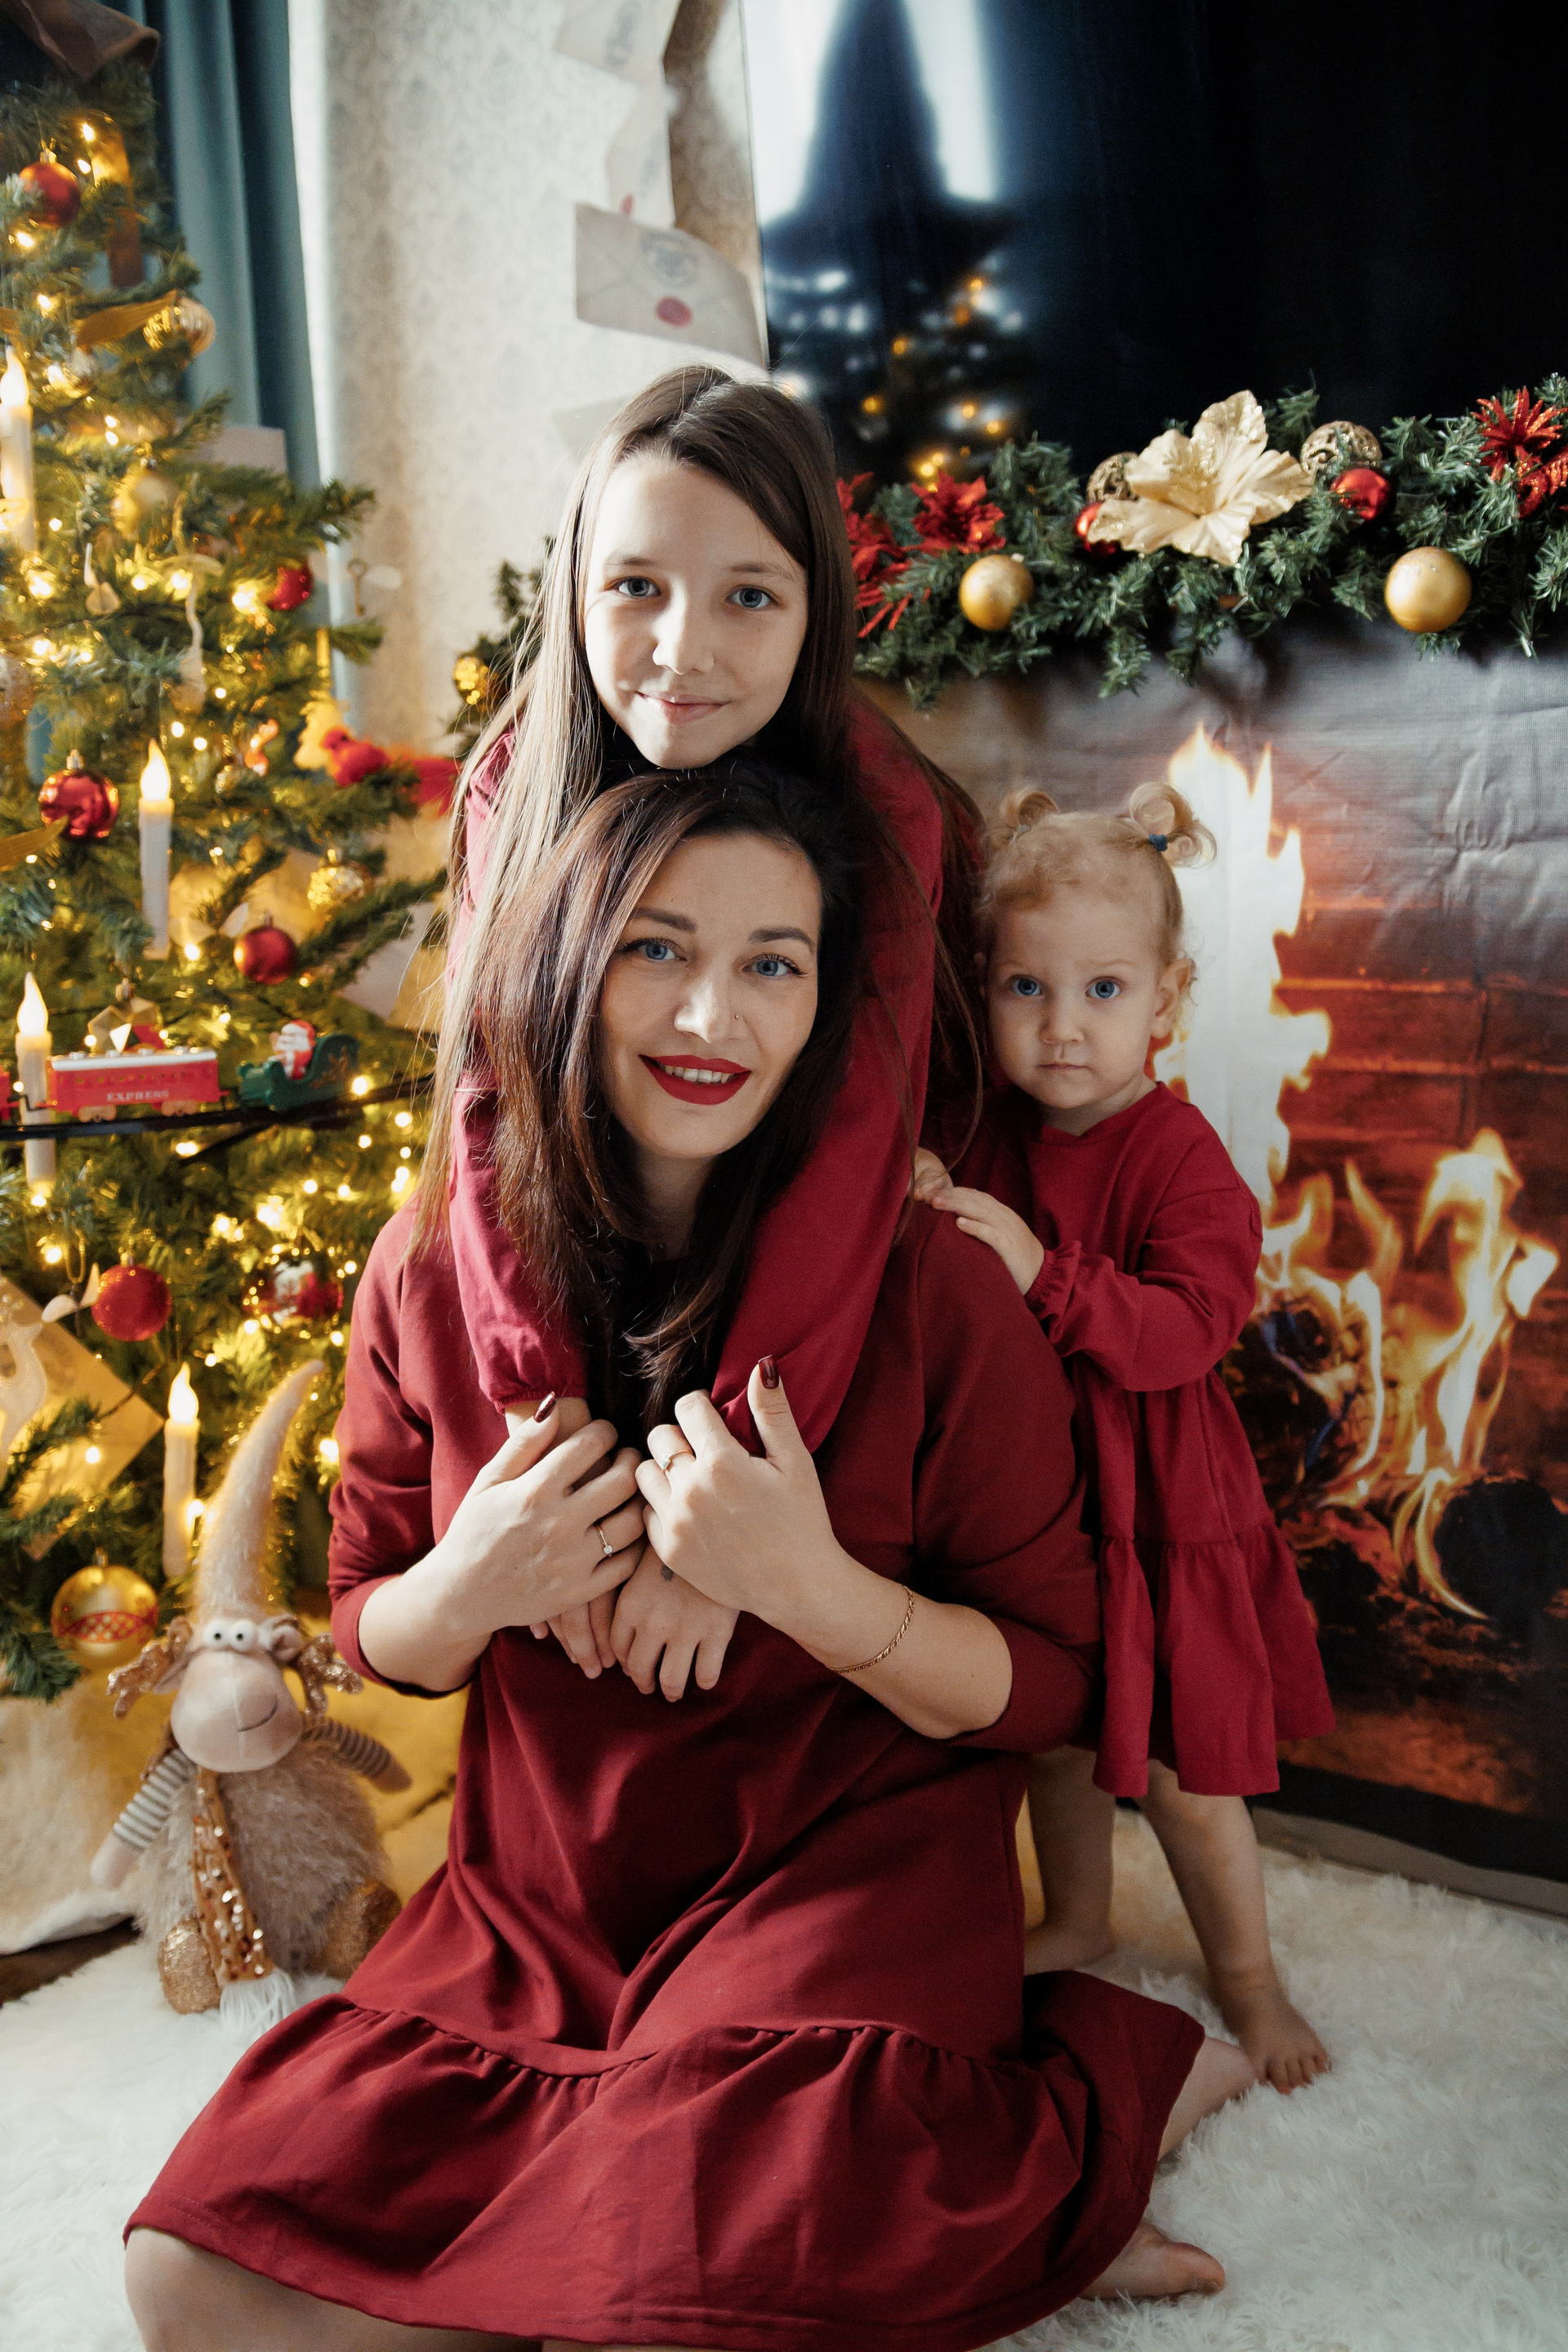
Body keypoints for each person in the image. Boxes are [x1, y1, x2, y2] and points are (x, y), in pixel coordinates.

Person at [125, 764, 1254, 2352]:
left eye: (772, 964)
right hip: (542, 1903)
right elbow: (374, 1618)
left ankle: (1088, 2106)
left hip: (834, 1888)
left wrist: (820, 1594)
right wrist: (474, 1581)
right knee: (195, 2281)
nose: (713, 1013)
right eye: (657, 948)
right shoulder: (428, 1270)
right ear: (568, 964)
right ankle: (871, 2218)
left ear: (827, 1005)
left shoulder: (937, 1287)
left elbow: (1054, 1682)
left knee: (683, 2296)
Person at [439, 361, 983, 1701]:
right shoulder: (516, 782)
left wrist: (720, 1504)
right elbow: (489, 1107)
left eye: (749, 596)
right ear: (577, 590)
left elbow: (853, 1150)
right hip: (600, 1237)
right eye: (637, 586)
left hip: (824, 1280)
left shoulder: (885, 815)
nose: (683, 649)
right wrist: (553, 1444)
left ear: (815, 613)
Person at [916, 779, 1336, 2096]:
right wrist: (927, 1193)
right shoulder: (989, 1135)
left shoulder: (1180, 1157)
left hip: (1157, 1503)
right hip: (1042, 1505)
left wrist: (1043, 1272)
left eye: (1103, 990)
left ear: (1168, 1000)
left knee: (1183, 1776)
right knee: (1052, 1733)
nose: (1063, 1025)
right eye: (1026, 989)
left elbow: (1188, 1333)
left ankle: (1251, 1982)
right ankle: (1082, 1916)